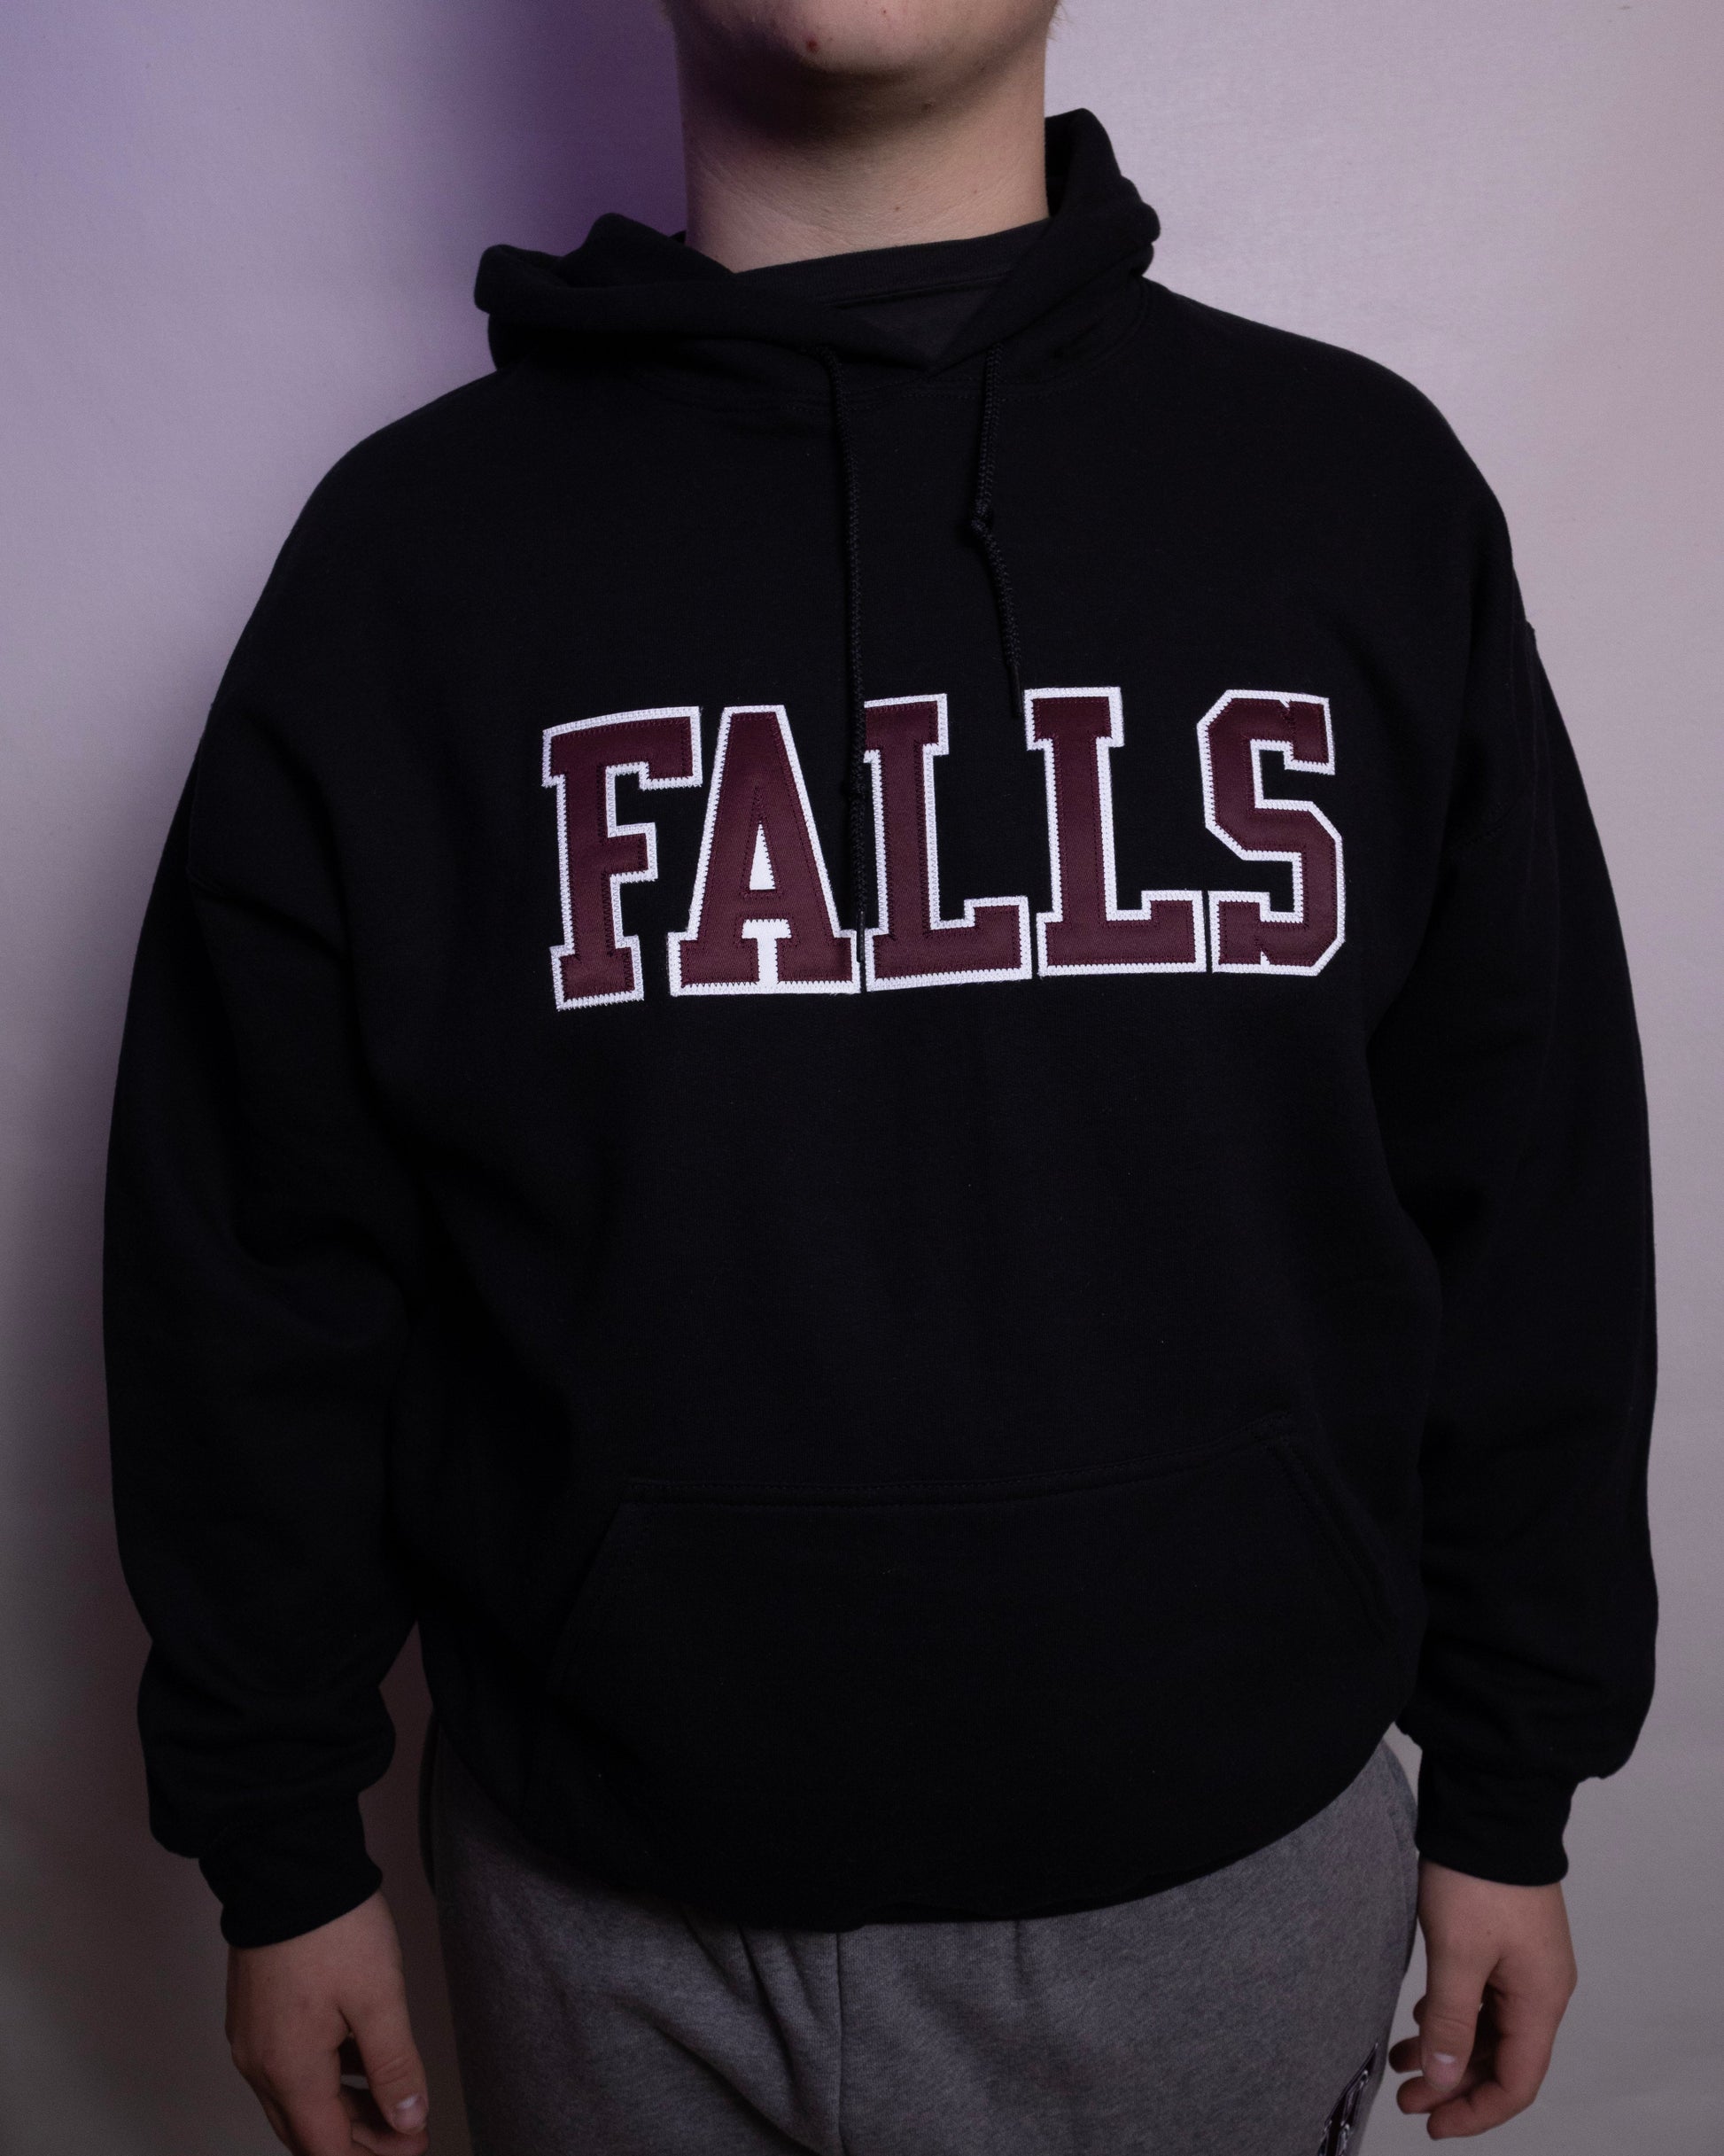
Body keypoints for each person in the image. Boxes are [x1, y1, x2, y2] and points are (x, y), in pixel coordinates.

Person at [104, 2, 1657, 2151]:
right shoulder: (409, 560)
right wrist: (279, 1838)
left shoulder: (1355, 495)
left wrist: (1510, 1773)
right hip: (605, 1906)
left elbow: (1530, 1180)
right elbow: (251, 1255)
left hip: (1222, 1872)